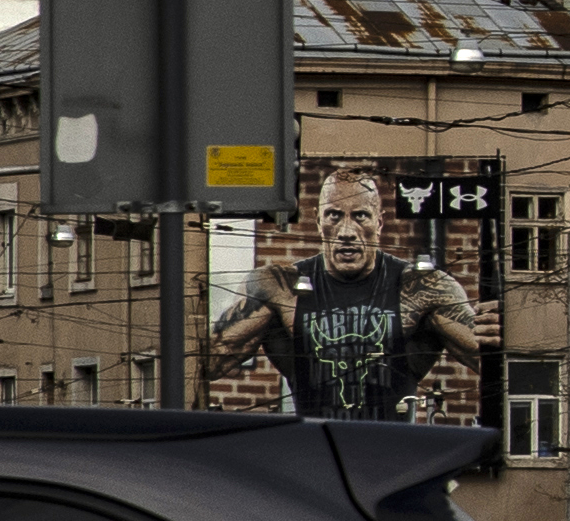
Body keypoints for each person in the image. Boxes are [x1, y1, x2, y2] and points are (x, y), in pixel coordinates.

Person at [207, 163, 483, 421]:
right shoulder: (277, 286)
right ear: (318, 221)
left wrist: (497, 331)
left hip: (394, 454)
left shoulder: (424, 287)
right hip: (317, 452)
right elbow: (207, 362)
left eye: (361, 216)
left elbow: (489, 359)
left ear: (379, 222)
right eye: (334, 216)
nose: (347, 231)